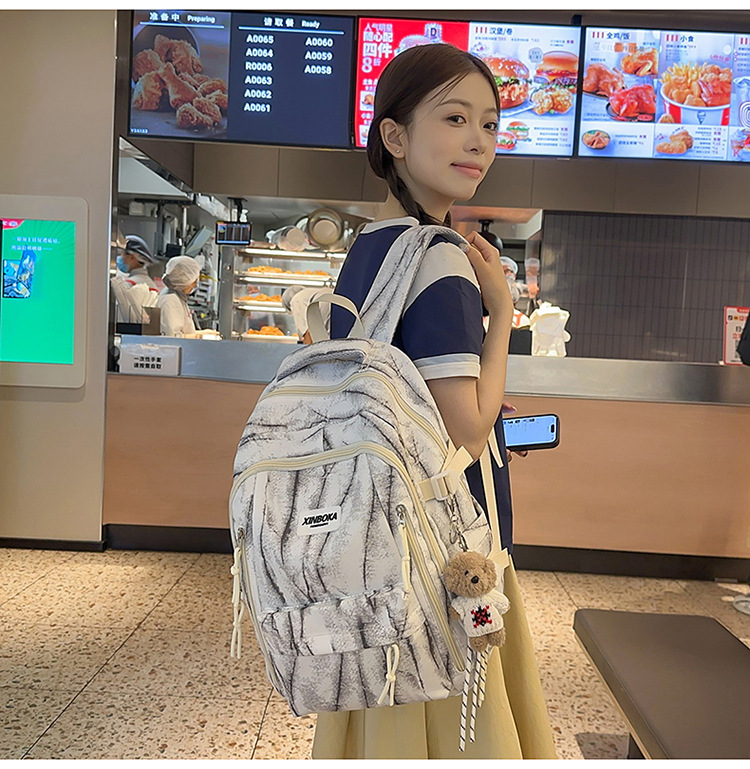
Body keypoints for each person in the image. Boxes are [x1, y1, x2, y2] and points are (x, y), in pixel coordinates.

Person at [315, 43, 556, 760]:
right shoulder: (441, 257)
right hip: (444, 557)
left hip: (373, 545)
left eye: (489, 123)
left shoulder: (369, 248)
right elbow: (470, 430)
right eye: (454, 118)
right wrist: (502, 311)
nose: (478, 140)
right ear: (394, 135)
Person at [156, 255, 200, 337]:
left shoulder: (178, 297)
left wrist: (204, 333)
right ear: (184, 280)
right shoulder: (170, 299)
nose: (195, 285)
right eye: (194, 281)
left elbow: (186, 332)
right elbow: (173, 337)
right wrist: (200, 337)